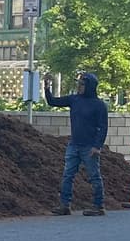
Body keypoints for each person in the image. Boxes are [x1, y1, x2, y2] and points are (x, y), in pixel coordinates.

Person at [45, 71, 108, 215]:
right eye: (79, 84)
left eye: (82, 84)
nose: (79, 87)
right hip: (74, 144)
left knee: (94, 176)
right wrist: (47, 88)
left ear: (90, 86)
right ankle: (64, 205)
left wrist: (97, 146)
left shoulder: (99, 105)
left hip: (89, 147)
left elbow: (103, 127)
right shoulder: (74, 99)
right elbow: (52, 102)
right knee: (68, 175)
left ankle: (98, 206)